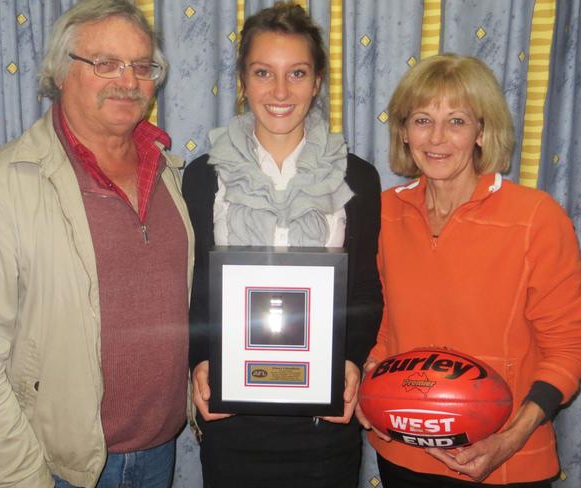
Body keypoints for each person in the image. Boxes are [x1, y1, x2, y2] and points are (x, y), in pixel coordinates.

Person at [0, 1, 194, 487]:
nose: (129, 80)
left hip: (160, 451)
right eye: (105, 63)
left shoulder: (170, 174)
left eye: (142, 66)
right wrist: (20, 476)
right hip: (54, 467)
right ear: (60, 72)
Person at [358, 53, 581, 487]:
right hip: (403, 453)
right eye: (423, 119)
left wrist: (510, 439)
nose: (438, 137)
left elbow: (570, 346)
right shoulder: (385, 212)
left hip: (506, 461)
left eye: (458, 121)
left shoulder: (536, 218)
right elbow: (386, 322)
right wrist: (370, 375)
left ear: (482, 131)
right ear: (404, 133)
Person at [182, 3, 383, 487]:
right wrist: (199, 361)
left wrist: (352, 360)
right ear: (243, 80)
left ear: (317, 82)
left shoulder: (357, 177)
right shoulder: (203, 178)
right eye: (262, 73)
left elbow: (365, 292)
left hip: (323, 426)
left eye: (296, 73)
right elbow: (193, 292)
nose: (279, 91)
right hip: (233, 421)